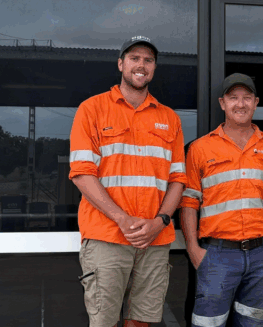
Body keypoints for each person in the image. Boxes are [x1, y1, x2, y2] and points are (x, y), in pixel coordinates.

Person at [69, 36, 187, 327]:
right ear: (121, 64)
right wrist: (121, 219)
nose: (141, 65)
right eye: (134, 58)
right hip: (107, 236)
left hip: (154, 239)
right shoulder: (92, 109)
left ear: (154, 68)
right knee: (104, 322)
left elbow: (178, 180)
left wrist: (159, 222)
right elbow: (82, 173)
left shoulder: (170, 118)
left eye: (148, 60)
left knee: (142, 321)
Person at [180, 73, 263, 327]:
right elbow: (189, 202)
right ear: (222, 103)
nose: (240, 104)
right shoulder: (200, 148)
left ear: (256, 102)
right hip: (217, 255)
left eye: (247, 98)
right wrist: (193, 250)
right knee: (209, 324)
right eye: (233, 98)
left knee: (252, 324)